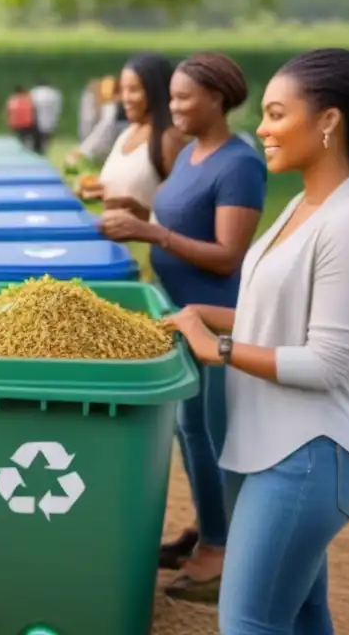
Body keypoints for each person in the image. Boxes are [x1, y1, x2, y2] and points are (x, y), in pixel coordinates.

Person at [165, 48, 349, 634]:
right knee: (301, 617)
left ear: (328, 121)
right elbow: (274, 319)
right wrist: (200, 315)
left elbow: (326, 363)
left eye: (275, 113)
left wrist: (211, 347)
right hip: (271, 448)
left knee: (248, 624)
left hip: (312, 456)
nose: (261, 128)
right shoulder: (305, 203)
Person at [100, 53, 267, 602]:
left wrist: (155, 238)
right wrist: (134, 210)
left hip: (215, 312)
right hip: (178, 308)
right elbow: (177, 217)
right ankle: (209, 531)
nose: (171, 107)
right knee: (188, 430)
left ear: (217, 97)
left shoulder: (239, 163)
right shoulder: (194, 152)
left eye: (182, 98)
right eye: (169, 97)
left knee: (211, 433)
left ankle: (221, 554)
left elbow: (226, 255)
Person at [83, 54, 185, 218]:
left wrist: (144, 216)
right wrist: (100, 191)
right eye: (123, 90)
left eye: (134, 90)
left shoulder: (169, 140)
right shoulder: (127, 134)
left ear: (154, 91)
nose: (125, 98)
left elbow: (184, 214)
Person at [30, 80, 62, 152]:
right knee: (46, 139)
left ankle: (37, 151)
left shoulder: (34, 92)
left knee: (36, 141)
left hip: (35, 121)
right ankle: (44, 151)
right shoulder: (55, 93)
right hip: (50, 121)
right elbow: (58, 109)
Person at [6, 84, 39, 152]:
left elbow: (9, 113)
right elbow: (33, 110)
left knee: (18, 139)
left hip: (16, 124)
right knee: (28, 139)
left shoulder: (12, 100)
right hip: (28, 124)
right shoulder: (28, 98)